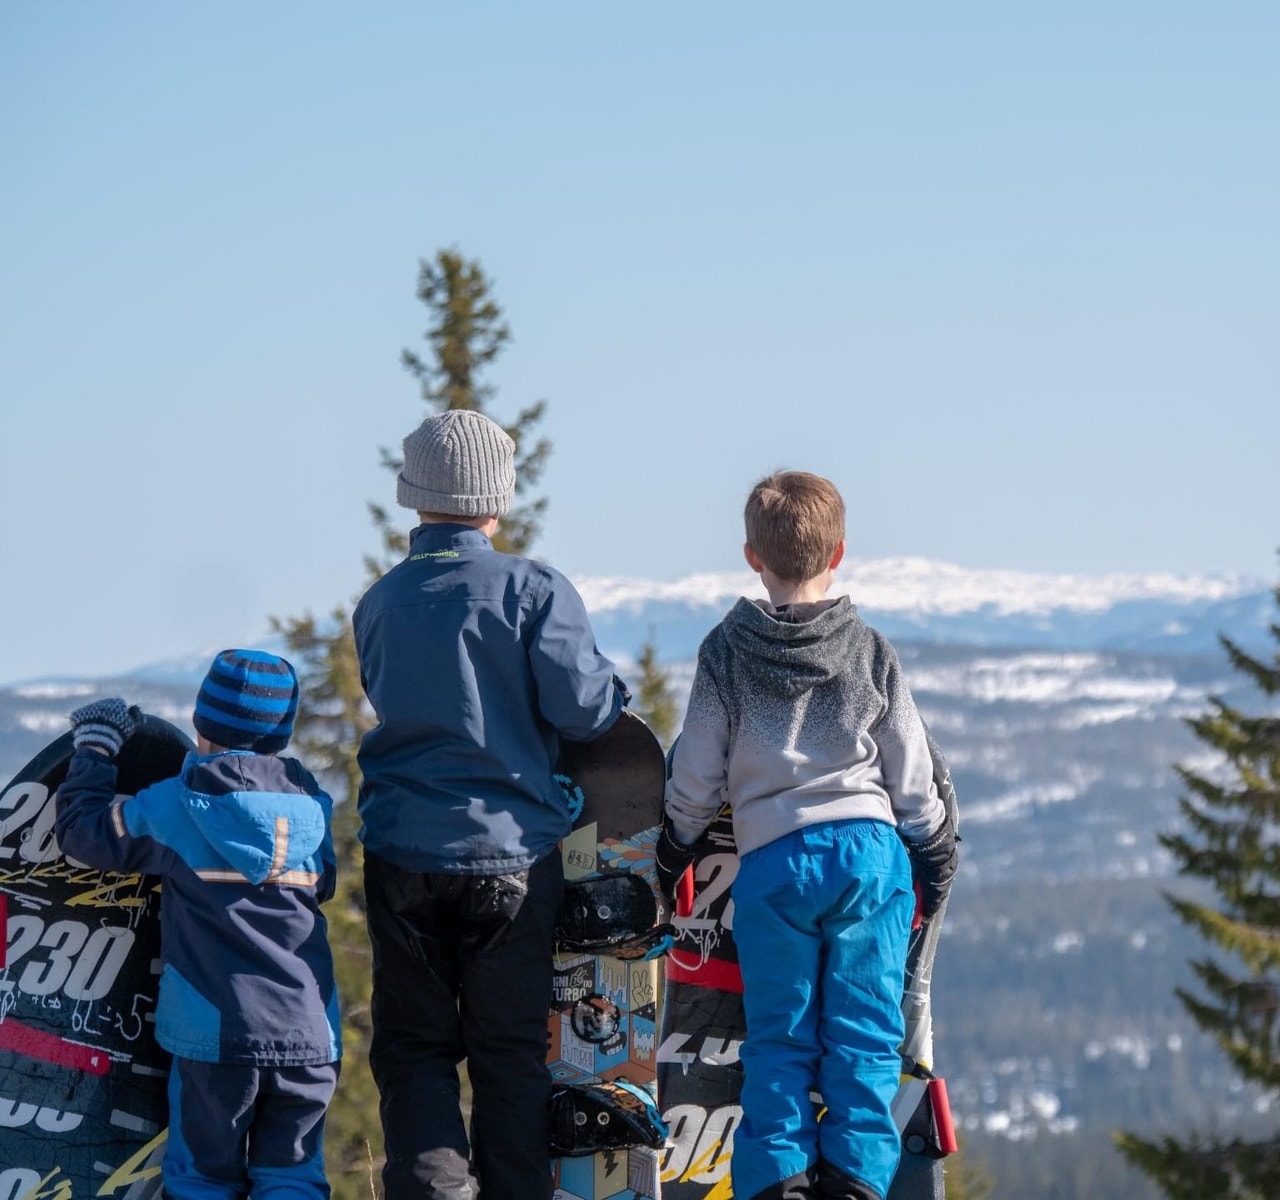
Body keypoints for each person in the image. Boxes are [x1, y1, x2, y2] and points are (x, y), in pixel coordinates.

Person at [655, 470, 960, 1200]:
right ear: (841, 552)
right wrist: (935, 847)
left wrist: (676, 843)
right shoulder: (868, 649)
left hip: (774, 863)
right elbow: (910, 769)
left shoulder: (726, 652)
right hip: (868, 857)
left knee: (780, 1037)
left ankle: (779, 1177)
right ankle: (857, 1176)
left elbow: (697, 769)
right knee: (863, 1033)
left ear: (753, 557)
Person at [353, 408, 628, 1200]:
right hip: (514, 855)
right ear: (496, 498)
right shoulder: (533, 589)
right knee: (509, 1052)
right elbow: (586, 711)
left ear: (414, 497)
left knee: (414, 1051)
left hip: (401, 850)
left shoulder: (380, 602)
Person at [55, 651, 340, 1200]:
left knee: (203, 1181)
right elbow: (323, 883)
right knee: (294, 1180)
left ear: (200, 722)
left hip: (217, 1034)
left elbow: (83, 833)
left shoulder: (180, 807)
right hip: (309, 1033)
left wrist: (95, 745)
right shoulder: (315, 809)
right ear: (281, 733)